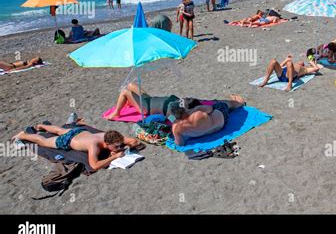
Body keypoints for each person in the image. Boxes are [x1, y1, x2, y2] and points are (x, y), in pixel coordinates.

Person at [11, 123, 139, 171]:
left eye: (120, 145)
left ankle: (41, 126)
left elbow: (134, 141)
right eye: (116, 146)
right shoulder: (94, 145)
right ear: (107, 144)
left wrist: (123, 147)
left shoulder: (109, 136)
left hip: (79, 132)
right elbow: (94, 166)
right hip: (68, 141)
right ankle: (23, 135)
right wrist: (115, 156)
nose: (120, 147)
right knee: (43, 141)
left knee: (61, 129)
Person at [167, 95, 245, 146]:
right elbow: (210, 108)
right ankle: (238, 103)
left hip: (204, 133)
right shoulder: (197, 111)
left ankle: (234, 104)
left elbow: (179, 143)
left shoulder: (176, 127)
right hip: (222, 122)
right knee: (221, 104)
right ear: (184, 109)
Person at [106, 82, 180, 120]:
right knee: (130, 85)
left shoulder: (173, 113)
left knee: (124, 91)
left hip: (145, 108)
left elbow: (173, 121)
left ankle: (116, 113)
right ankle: (130, 101)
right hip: (149, 99)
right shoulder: (179, 101)